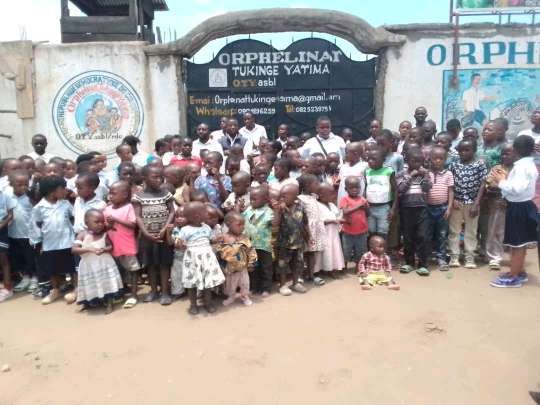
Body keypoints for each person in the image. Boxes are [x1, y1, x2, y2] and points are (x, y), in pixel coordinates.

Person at [489, 135, 538, 288]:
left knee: (517, 245)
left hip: (519, 208)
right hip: (521, 205)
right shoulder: (528, 165)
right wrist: (504, 182)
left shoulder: (522, 168)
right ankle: (520, 271)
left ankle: (514, 276)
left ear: (516, 150)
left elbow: (517, 189)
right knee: (519, 243)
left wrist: (501, 181)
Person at [132, 165, 175, 305]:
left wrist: (165, 228)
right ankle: (153, 291)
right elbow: (138, 216)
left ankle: (165, 292)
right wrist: (146, 233)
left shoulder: (166, 193)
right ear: (144, 178)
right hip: (147, 237)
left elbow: (172, 212)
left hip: (164, 237)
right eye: (155, 177)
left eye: (160, 177)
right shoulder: (138, 196)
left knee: (164, 265)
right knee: (150, 265)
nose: (159, 180)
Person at [31, 176, 76, 305]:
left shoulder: (65, 204)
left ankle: (76, 288)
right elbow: (36, 225)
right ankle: (55, 289)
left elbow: (73, 217)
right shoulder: (39, 208)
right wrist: (38, 243)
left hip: (68, 242)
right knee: (52, 269)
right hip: (49, 244)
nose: (66, 190)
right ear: (52, 191)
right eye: (63, 188)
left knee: (72, 267)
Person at [174, 201, 225, 314]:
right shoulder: (185, 230)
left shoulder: (206, 227)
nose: (207, 214)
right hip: (192, 259)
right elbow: (179, 244)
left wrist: (217, 239)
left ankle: (208, 303)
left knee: (207, 282)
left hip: (207, 258)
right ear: (197, 216)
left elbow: (210, 240)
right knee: (192, 284)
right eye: (205, 212)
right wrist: (179, 244)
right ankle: (193, 305)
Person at [72, 209, 123, 314]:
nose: (100, 224)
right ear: (86, 223)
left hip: (104, 265)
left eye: (102, 222)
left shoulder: (104, 234)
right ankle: (86, 303)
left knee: (107, 283)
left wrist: (104, 249)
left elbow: (110, 246)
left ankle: (109, 303)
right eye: (96, 222)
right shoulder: (82, 235)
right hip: (88, 266)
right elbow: (74, 249)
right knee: (90, 285)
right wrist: (89, 249)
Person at [448, 140, 487, 269]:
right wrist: (453, 200)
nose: (463, 153)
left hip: (472, 203)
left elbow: (483, 185)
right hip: (457, 203)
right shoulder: (454, 165)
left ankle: (469, 257)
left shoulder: (480, 165)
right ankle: (454, 256)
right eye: (460, 150)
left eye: (467, 150)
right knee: (454, 230)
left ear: (474, 150)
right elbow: (450, 184)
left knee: (471, 231)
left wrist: (476, 204)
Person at [396, 147, 432, 276]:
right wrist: (410, 177)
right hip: (407, 209)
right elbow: (400, 189)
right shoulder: (401, 174)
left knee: (423, 236)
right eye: (414, 161)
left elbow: (427, 188)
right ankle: (409, 263)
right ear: (407, 160)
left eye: (419, 161)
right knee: (408, 237)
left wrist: (425, 176)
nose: (417, 164)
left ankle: (423, 264)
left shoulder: (425, 174)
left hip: (422, 208)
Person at [104, 181, 140, 308]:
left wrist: (116, 220)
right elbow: (105, 227)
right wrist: (109, 225)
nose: (110, 196)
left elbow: (133, 224)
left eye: (113, 193)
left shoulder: (129, 207)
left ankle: (134, 294)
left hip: (127, 246)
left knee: (133, 270)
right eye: (109, 193)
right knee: (118, 270)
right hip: (113, 246)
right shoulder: (107, 209)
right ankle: (121, 292)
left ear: (124, 195)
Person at [482, 143, 515, 270]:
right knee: (495, 230)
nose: (504, 156)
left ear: (515, 154)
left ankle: (515, 257)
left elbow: (518, 188)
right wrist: (504, 187)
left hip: (514, 205)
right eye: (503, 154)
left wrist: (501, 185)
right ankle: (494, 257)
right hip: (497, 204)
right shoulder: (497, 168)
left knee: (513, 231)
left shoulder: (517, 169)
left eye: (508, 154)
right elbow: (489, 185)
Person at [274, 183, 309, 296]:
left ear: (295, 196)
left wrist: (308, 237)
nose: (281, 199)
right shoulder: (280, 209)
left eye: (284, 196)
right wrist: (278, 211)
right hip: (284, 244)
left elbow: (305, 224)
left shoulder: (301, 207)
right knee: (282, 265)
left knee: (297, 264)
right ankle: (283, 285)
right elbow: (275, 223)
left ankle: (295, 283)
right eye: (280, 196)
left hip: (298, 242)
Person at [216, 212, 257, 307]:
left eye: (243, 224)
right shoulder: (224, 237)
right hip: (230, 268)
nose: (242, 227)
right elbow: (220, 251)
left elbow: (250, 250)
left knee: (245, 283)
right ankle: (231, 297)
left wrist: (252, 262)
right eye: (239, 225)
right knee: (230, 284)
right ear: (228, 224)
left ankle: (245, 296)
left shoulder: (244, 237)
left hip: (243, 267)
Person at [242, 186, 276, 296]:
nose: (252, 201)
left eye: (254, 199)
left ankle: (266, 288)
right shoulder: (248, 210)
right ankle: (254, 287)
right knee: (253, 268)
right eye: (250, 199)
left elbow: (275, 223)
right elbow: (241, 220)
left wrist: (276, 210)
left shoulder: (268, 211)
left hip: (264, 246)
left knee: (266, 268)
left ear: (265, 199)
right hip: (251, 246)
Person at [8, 171, 37, 293]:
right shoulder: (7, 197)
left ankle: (35, 278)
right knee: (18, 258)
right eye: (19, 185)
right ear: (11, 184)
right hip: (13, 234)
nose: (23, 187)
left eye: (26, 184)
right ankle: (25, 278)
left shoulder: (30, 198)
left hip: (28, 235)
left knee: (30, 257)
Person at [427, 147, 454, 271]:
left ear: (445, 159)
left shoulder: (448, 174)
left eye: (441, 158)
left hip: (442, 208)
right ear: (430, 158)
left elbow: (451, 191)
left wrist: (449, 208)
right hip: (428, 208)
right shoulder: (426, 173)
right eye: (435, 158)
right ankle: (426, 256)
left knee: (442, 235)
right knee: (427, 234)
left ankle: (441, 258)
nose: (438, 160)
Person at [298, 174, 326, 286]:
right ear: (307, 185)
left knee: (312, 253)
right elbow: (301, 217)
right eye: (316, 183)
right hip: (307, 230)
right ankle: (299, 276)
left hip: (315, 230)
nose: (318, 185)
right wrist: (306, 233)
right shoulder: (300, 199)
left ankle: (311, 275)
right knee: (302, 254)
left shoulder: (314, 196)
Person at [364, 147, 397, 238]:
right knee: (371, 233)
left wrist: (393, 209)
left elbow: (395, 190)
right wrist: (365, 205)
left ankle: (382, 248)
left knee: (382, 233)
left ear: (383, 160)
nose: (370, 161)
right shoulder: (367, 172)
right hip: (370, 207)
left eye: (373, 159)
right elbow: (366, 188)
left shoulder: (389, 171)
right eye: (368, 159)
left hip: (384, 208)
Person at [339, 176, 369, 268]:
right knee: (346, 250)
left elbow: (368, 214)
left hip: (361, 231)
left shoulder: (363, 200)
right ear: (346, 189)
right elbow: (345, 211)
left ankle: (358, 266)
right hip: (348, 231)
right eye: (351, 188)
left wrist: (366, 208)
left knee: (360, 250)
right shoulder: (345, 199)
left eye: (357, 187)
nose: (355, 190)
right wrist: (359, 206)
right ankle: (344, 266)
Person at [317, 183, 345, 277]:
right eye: (331, 193)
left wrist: (340, 219)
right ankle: (324, 269)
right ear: (321, 195)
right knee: (326, 252)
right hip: (324, 233)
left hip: (334, 233)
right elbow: (318, 221)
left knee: (334, 250)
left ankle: (333, 268)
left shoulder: (332, 205)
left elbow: (337, 215)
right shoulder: (317, 205)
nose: (334, 195)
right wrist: (332, 221)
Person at [0, 183, 15, 302]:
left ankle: (8, 288)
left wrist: (1, 225)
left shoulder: (5, 196)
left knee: (3, 259)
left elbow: (10, 215)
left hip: (2, 231)